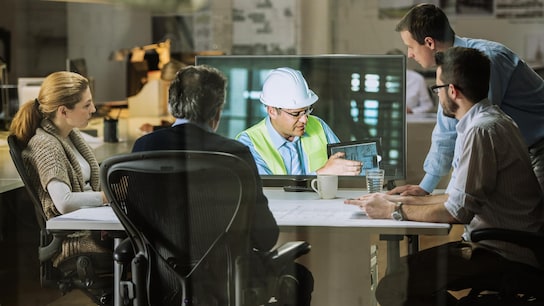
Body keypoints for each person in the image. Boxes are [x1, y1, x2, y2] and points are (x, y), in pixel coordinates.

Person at [345, 47, 544, 306]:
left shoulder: (481, 131)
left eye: (437, 89)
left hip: (503, 252)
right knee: (399, 277)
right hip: (499, 244)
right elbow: (456, 198)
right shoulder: (488, 120)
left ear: (453, 91)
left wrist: (391, 212)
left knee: (395, 287)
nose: (437, 96)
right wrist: (392, 201)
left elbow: (456, 211)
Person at [132, 65, 314, 306]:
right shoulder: (234, 154)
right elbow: (266, 237)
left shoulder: (143, 149)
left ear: (172, 105)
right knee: (301, 277)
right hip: (228, 284)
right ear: (217, 112)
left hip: (160, 282)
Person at [390, 3, 544, 196]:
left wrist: (450, 198)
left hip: (540, 146)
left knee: (534, 218)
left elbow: (474, 130)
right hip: (522, 151)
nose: (410, 55)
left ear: (429, 43)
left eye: (410, 47)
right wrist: (425, 187)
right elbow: (445, 131)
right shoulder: (448, 68)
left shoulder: (486, 59)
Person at [9, 71, 111, 266]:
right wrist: (106, 197)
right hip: (76, 239)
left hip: (94, 223)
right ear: (63, 111)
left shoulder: (71, 136)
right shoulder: (45, 145)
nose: (93, 109)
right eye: (87, 105)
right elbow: (64, 202)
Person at [236, 67, 363, 175]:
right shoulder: (249, 143)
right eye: (295, 114)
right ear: (272, 111)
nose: (304, 119)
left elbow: (345, 168)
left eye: (306, 111)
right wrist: (322, 174)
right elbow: (266, 191)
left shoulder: (319, 126)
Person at [387, 48, 434, 114]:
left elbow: (428, 105)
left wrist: (412, 111)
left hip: (410, 120)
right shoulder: (379, 79)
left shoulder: (417, 79)